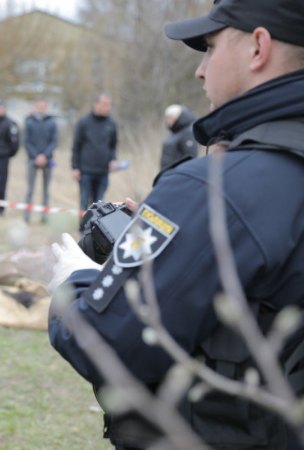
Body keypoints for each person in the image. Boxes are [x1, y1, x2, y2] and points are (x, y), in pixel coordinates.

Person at [48, 0, 304, 448]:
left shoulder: (212, 188)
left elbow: (107, 345)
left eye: (210, 48)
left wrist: (74, 279)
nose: (200, 71)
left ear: (258, 48)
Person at [71, 93, 118, 222]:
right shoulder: (84, 122)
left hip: (103, 172)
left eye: (109, 105)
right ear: (96, 104)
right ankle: (82, 228)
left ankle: (95, 229)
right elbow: (76, 146)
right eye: (105, 105)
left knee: (99, 204)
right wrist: (75, 167)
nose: (108, 108)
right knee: (84, 202)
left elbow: (113, 146)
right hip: (86, 172)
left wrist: (113, 159)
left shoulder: (111, 124)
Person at [23, 97, 58, 224]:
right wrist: (36, 156)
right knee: (30, 190)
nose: (41, 108)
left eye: (44, 106)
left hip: (47, 160)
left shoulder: (52, 122)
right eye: (39, 106)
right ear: (36, 107)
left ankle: (45, 216)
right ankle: (27, 216)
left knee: (46, 190)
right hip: (32, 159)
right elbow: (26, 141)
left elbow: (54, 141)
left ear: (46, 107)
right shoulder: (29, 122)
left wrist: (45, 156)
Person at [160, 104, 199, 171]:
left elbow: (190, 157)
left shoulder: (188, 133)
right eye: (167, 118)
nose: (168, 120)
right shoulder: (172, 134)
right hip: (168, 173)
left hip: (180, 173)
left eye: (170, 118)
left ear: (177, 118)